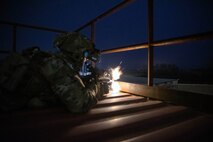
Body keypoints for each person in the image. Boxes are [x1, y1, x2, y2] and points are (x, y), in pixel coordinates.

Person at [0, 32, 109, 113]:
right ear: (76, 54)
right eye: (85, 57)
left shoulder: (51, 59)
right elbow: (79, 104)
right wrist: (99, 88)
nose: (86, 61)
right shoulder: (56, 66)